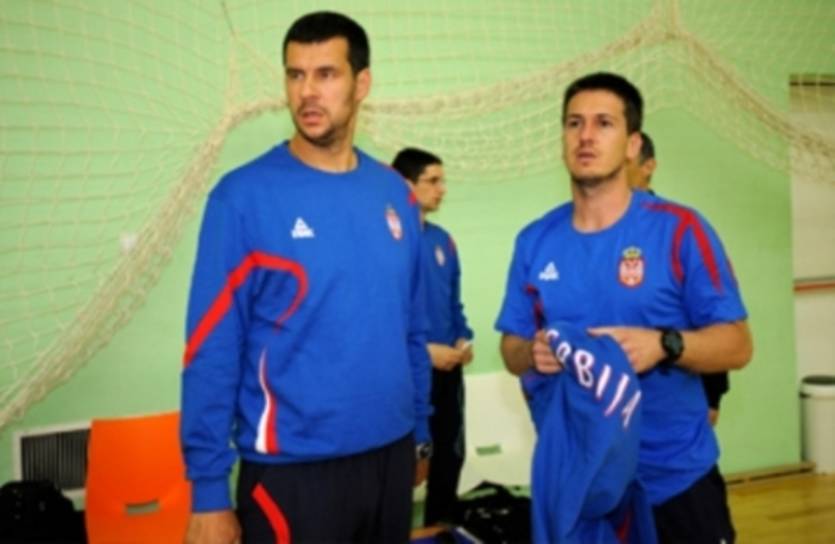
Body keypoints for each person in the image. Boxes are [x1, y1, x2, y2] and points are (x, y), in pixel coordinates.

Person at [180, 12, 432, 544]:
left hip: (391, 457)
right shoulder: (242, 198)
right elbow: (211, 348)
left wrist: (421, 433)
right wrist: (208, 491)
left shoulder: (396, 195)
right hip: (293, 474)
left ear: (362, 83)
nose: (307, 92)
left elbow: (411, 330)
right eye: (295, 75)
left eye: (326, 74)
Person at [495, 72, 753, 543]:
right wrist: (532, 353)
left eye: (604, 123)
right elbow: (511, 347)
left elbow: (737, 345)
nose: (586, 136)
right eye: (574, 123)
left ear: (633, 144)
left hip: (675, 480)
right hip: (582, 486)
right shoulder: (534, 241)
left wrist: (664, 345)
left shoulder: (681, 229)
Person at [392, 147, 474, 526]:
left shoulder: (444, 241)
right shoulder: (388, 243)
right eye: (433, 181)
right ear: (406, 185)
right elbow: (378, 321)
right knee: (404, 466)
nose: (442, 189)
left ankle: (441, 529)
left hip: (448, 374)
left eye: (443, 180)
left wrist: (463, 340)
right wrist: (425, 353)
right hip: (407, 375)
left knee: (449, 457)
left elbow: (453, 303)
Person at [626, 131, 731, 426]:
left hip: (676, 412)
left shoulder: (681, 231)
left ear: (649, 166)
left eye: (626, 163)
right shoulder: (585, 236)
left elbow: (715, 321)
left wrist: (713, 396)